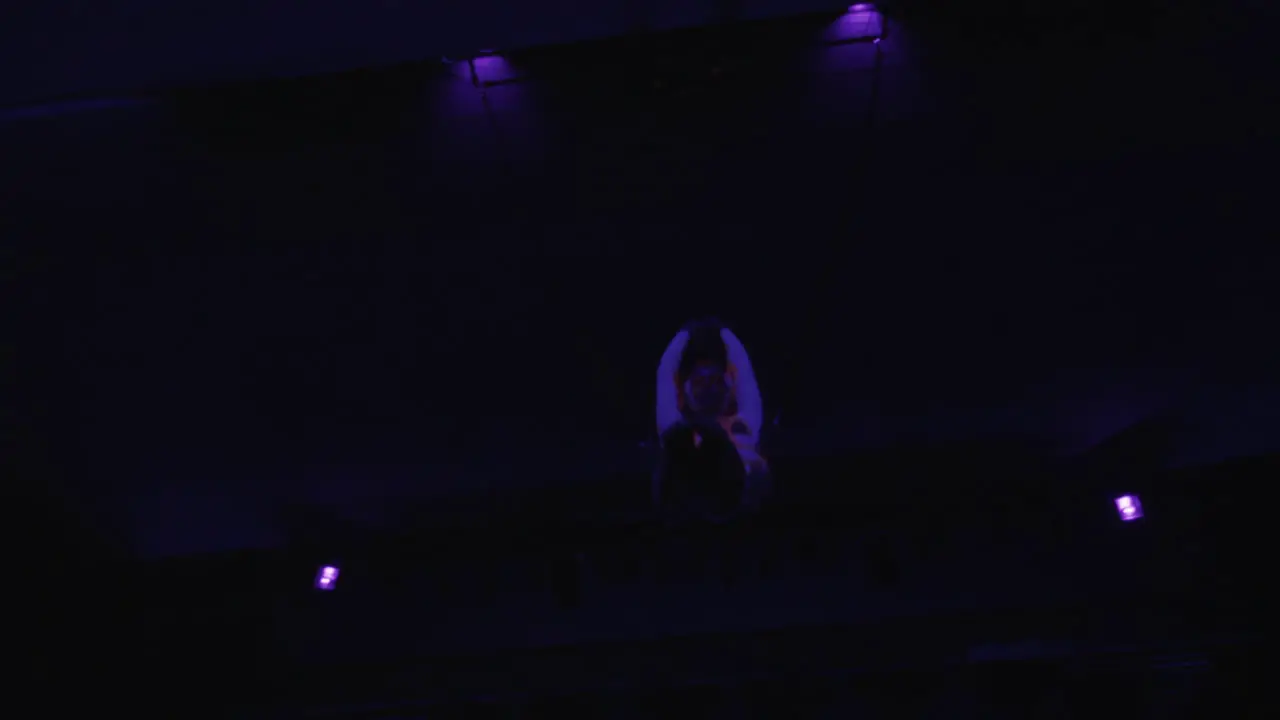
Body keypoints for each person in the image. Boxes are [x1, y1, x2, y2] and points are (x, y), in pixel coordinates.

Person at [653, 318, 771, 521]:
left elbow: (743, 375)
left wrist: (723, 333)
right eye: (700, 381)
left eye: (715, 381)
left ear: (728, 388)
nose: (708, 387)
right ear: (684, 393)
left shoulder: (743, 429)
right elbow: (666, 377)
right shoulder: (678, 434)